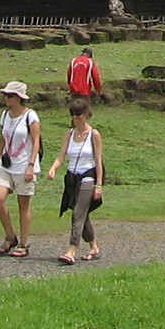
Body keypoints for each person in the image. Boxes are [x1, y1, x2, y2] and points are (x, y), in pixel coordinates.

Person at [46, 97, 106, 265]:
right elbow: (61, 155)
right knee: (82, 213)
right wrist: (53, 168)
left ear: (87, 114)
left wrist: (98, 185)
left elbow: (98, 160)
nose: (76, 118)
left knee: (77, 213)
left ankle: (72, 249)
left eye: (79, 114)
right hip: (72, 177)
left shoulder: (94, 134)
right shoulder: (69, 134)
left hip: (88, 176)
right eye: (73, 114)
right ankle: (94, 246)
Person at [0, 80, 41, 256]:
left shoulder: (30, 115)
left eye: (10, 96)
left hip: (23, 165)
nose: (7, 98)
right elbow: (2, 140)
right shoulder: (5, 115)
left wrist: (31, 166)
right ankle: (10, 235)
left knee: (23, 205)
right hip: (6, 164)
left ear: (20, 98)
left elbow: (36, 141)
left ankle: (24, 243)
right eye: (5, 95)